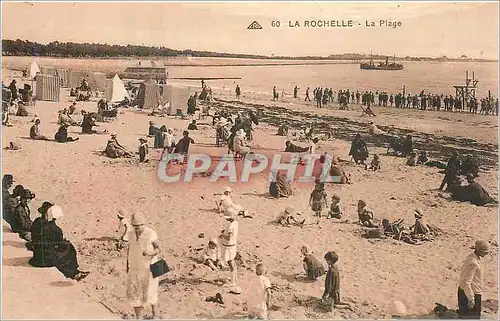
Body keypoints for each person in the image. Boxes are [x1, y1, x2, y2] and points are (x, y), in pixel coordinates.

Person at [28, 204, 90, 281]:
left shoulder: (37, 221)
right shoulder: (54, 228)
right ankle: (74, 273)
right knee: (69, 249)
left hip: (37, 257)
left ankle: (75, 272)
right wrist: (64, 243)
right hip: (44, 259)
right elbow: (57, 244)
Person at [126, 212, 162, 320]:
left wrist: (150, 253)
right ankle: (139, 318)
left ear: (143, 224)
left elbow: (159, 249)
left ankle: (155, 315)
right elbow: (130, 249)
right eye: (134, 226)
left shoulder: (151, 233)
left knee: (151, 293)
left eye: (138, 226)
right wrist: (127, 265)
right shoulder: (131, 234)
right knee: (135, 295)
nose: (136, 229)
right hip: (135, 267)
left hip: (150, 267)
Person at [458, 240, 489, 319]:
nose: (486, 254)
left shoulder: (473, 257)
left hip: (467, 291)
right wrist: (471, 299)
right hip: (469, 293)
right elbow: (466, 282)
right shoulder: (473, 263)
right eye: (485, 252)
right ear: (479, 251)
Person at [219, 212, 239, 287]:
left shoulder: (231, 226)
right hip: (233, 245)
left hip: (229, 246)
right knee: (232, 261)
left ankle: (233, 282)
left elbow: (228, 237)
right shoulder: (236, 223)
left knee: (230, 262)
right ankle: (233, 277)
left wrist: (223, 235)